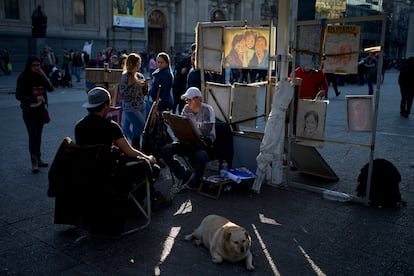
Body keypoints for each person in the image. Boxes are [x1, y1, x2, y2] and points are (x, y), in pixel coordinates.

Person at [75, 87, 171, 211]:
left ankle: (128, 202)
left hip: (88, 173)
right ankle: (130, 203)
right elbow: (129, 151)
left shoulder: (79, 126)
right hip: (110, 173)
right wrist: (149, 157)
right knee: (154, 167)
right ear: (105, 106)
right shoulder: (110, 126)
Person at [160, 87, 216, 192]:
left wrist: (190, 128)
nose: (188, 102)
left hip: (203, 143)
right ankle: (185, 175)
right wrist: (171, 121)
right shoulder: (186, 108)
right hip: (187, 141)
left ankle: (196, 180)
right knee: (165, 150)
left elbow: (206, 131)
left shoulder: (207, 109)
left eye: (190, 99)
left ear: (199, 99)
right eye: (187, 100)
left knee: (201, 156)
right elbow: (181, 127)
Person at [15, 56, 54, 173]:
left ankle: (39, 158)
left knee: (39, 135)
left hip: (41, 109)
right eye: (34, 65)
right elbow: (18, 95)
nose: (37, 67)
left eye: (38, 65)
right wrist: (33, 99)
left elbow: (51, 89)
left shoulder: (40, 76)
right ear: (29, 66)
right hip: (29, 110)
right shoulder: (23, 77)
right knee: (33, 135)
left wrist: (43, 75)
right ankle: (34, 162)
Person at [119, 53, 148, 149]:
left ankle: (137, 149)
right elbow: (124, 94)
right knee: (143, 129)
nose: (140, 66)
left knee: (137, 132)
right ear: (133, 64)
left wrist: (145, 86)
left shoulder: (140, 75)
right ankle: (143, 149)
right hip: (131, 108)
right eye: (138, 64)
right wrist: (137, 85)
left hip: (141, 106)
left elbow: (143, 93)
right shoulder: (125, 76)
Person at [173, 43, 195, 114]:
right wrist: (181, 71)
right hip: (182, 87)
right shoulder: (185, 60)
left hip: (192, 88)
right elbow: (178, 70)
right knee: (182, 106)